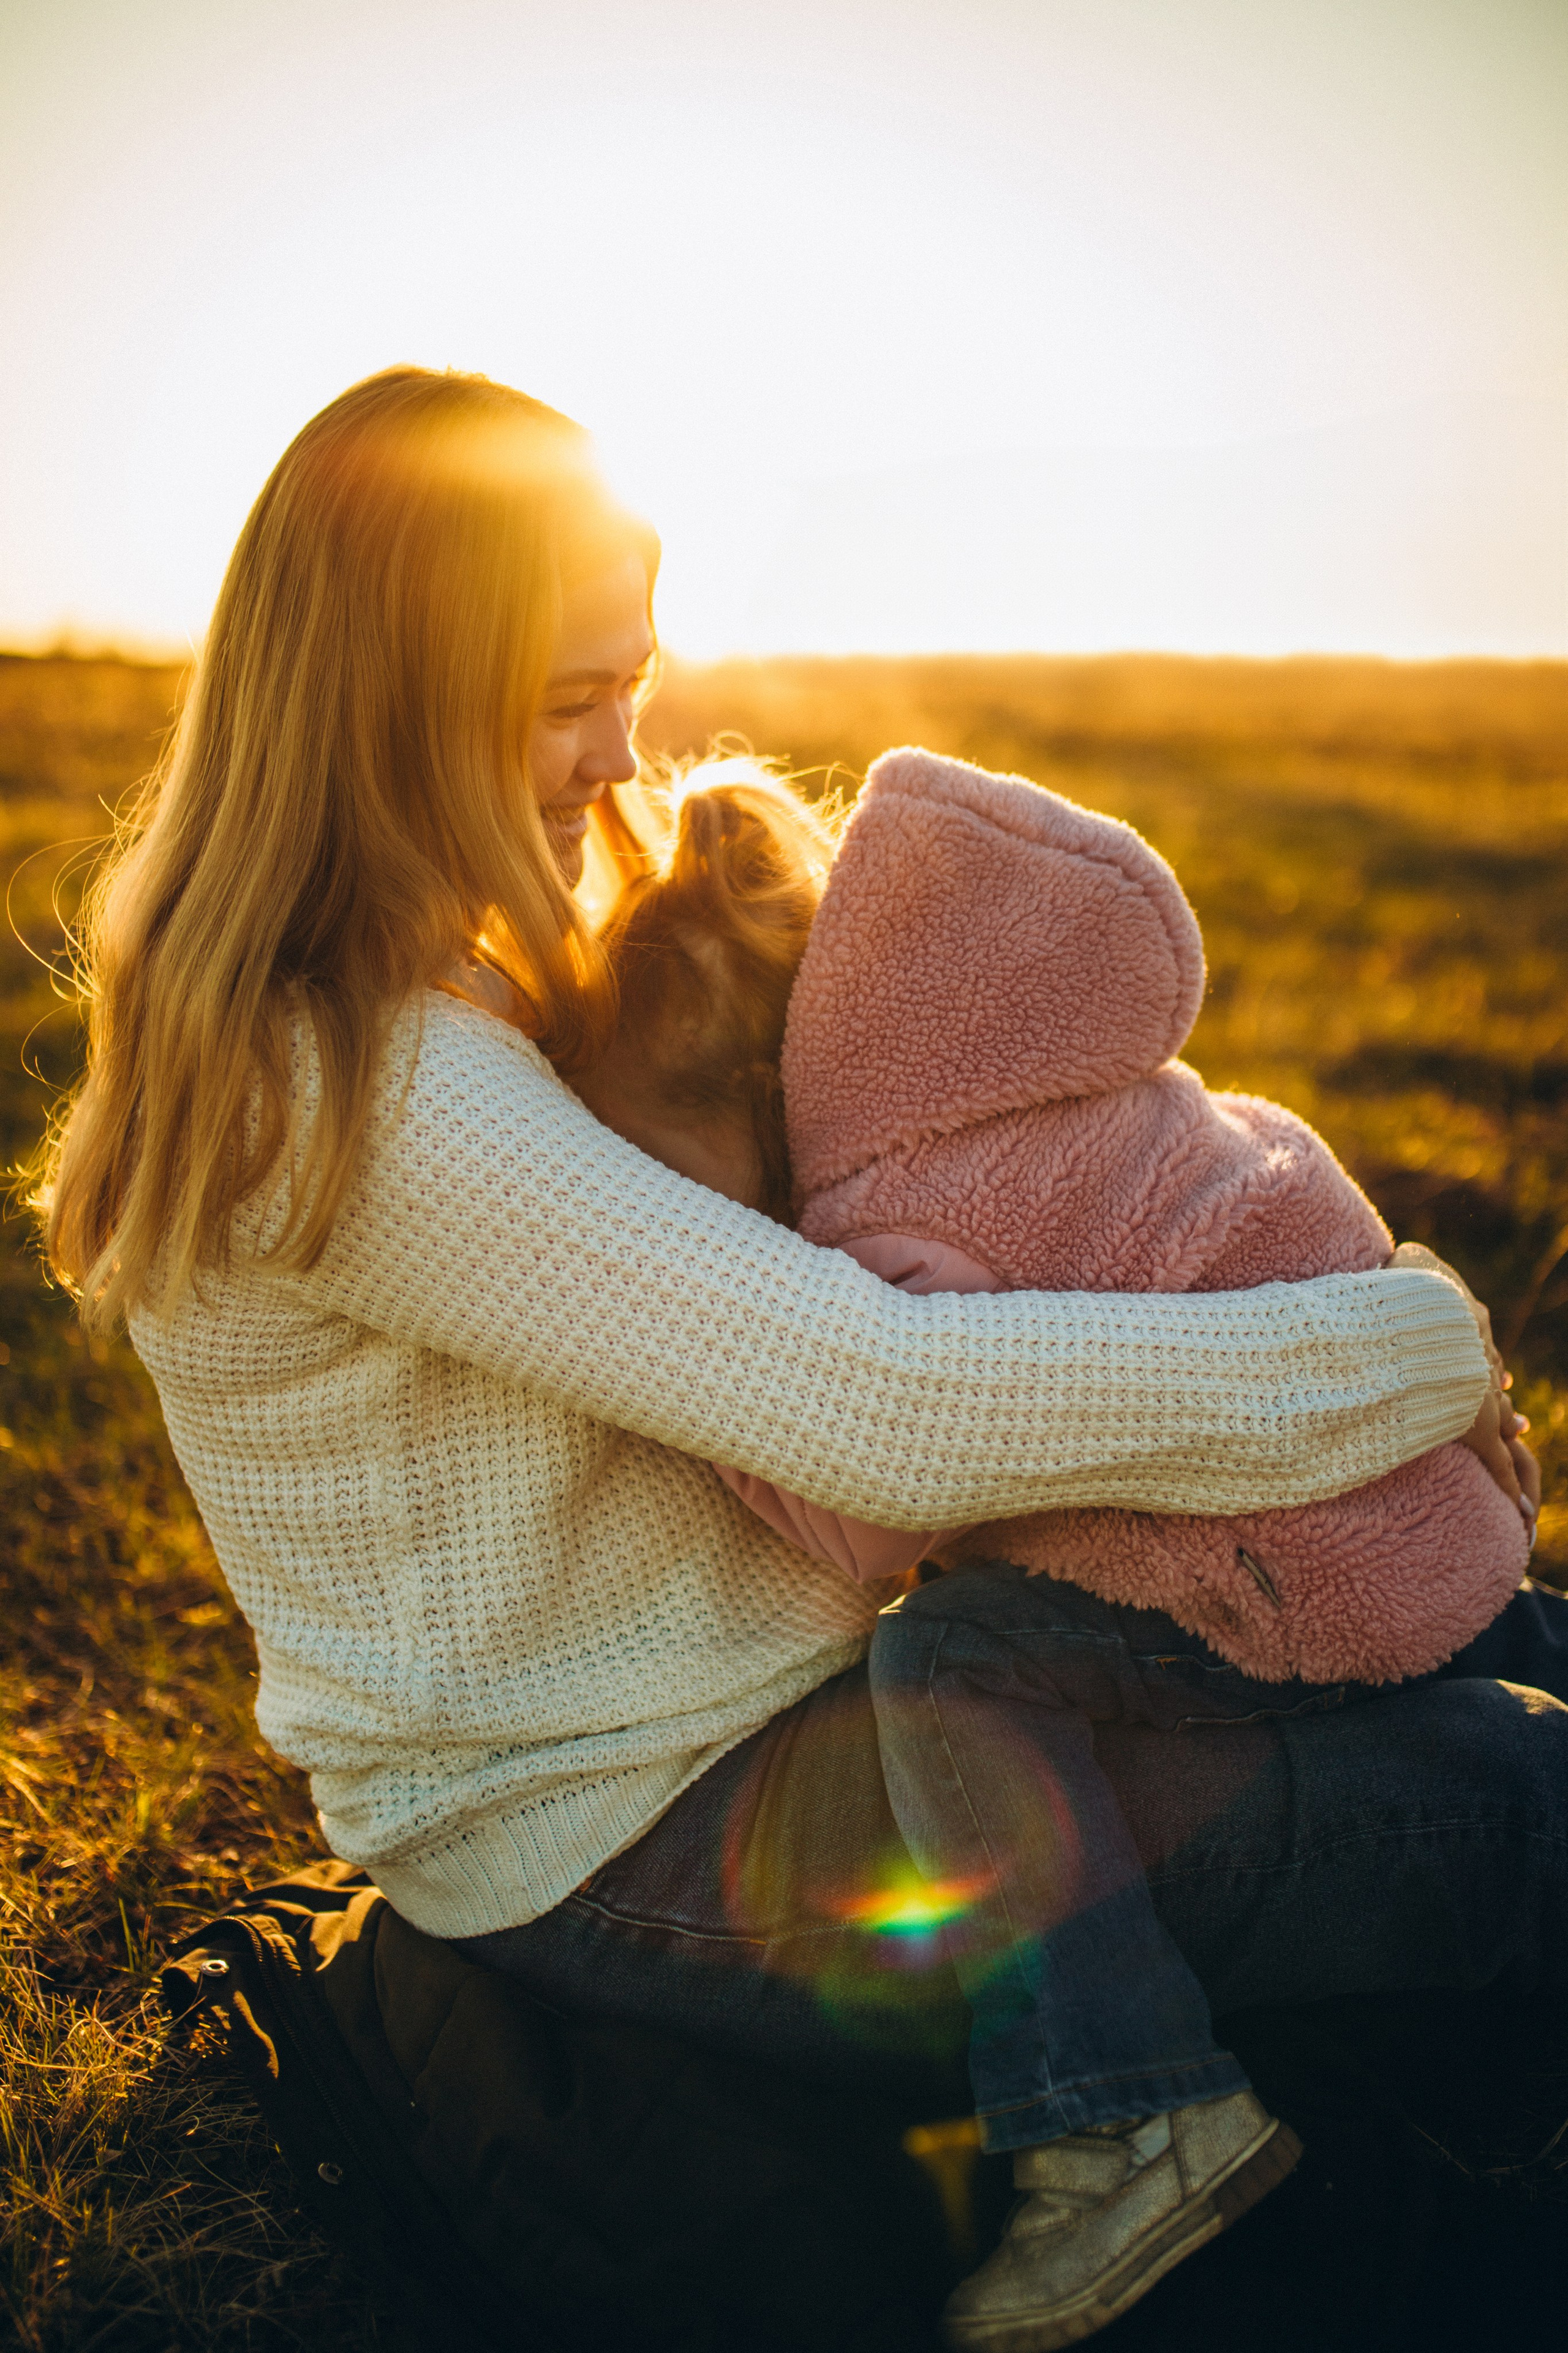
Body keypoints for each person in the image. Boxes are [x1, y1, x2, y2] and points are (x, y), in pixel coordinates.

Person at [36, 366, 1559, 2353]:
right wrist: (1390, 1352)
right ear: (386, 703)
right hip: (637, 1828)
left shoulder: (442, 972)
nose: (620, 753)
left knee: (1508, 1643)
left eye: (631, 680)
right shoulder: (362, 1087)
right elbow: (882, 1404)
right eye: (560, 703)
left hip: (785, 1717)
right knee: (1500, 1802)